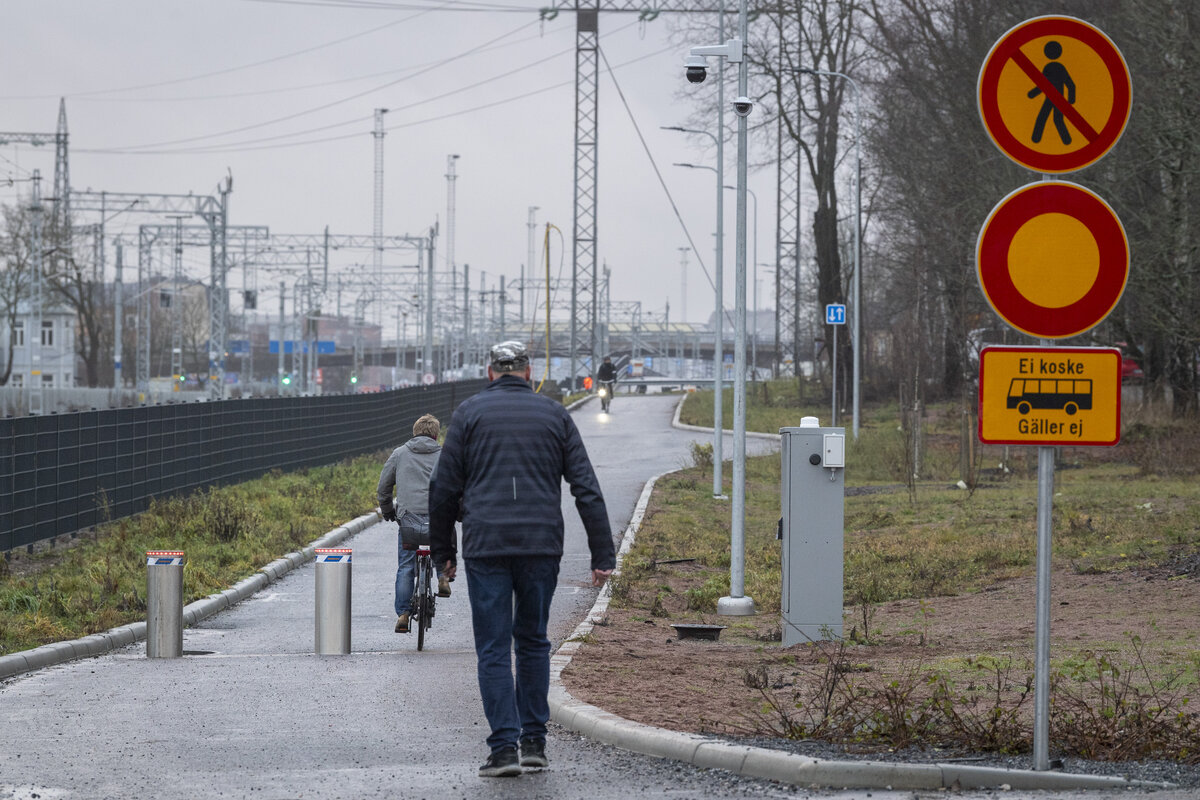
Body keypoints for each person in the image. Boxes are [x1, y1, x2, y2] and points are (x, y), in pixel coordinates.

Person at [429, 340, 615, 778]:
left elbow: (442, 490)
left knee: (493, 648)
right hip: (540, 545)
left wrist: (443, 553)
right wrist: (602, 554)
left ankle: (503, 750)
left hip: (487, 546)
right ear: (529, 372)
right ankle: (534, 743)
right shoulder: (554, 414)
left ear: (490, 371)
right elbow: (585, 487)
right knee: (532, 640)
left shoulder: (469, 414)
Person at [376, 413, 451, 634]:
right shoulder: (446, 456)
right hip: (438, 518)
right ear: (436, 435)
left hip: (408, 520)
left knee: (406, 566)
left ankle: (403, 614)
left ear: (414, 432)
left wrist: (388, 510)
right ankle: (443, 575)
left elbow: (383, 487)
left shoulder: (399, 454)